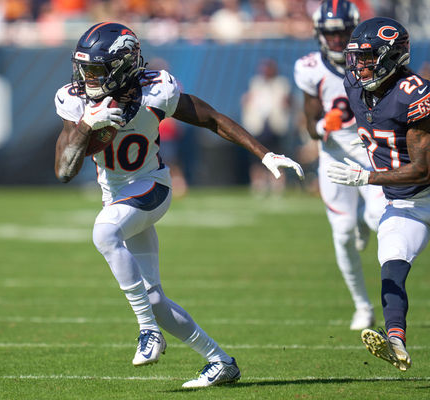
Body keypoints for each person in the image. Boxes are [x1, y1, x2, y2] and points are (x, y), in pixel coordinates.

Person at [54, 22, 304, 388]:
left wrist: (265, 155)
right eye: (85, 69)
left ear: (123, 65)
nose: (87, 78)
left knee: (104, 232)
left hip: (151, 186)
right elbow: (63, 170)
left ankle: (147, 331)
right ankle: (221, 361)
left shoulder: (157, 90)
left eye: (97, 70)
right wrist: (84, 127)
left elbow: (212, 118)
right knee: (153, 297)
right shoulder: (75, 99)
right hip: (116, 195)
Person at [328, 16, 430, 371]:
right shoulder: (356, 88)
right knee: (391, 268)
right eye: (357, 58)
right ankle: (397, 342)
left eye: (369, 58)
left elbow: (423, 168)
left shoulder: (414, 94)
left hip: (420, 188)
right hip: (406, 203)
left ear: (392, 56)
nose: (360, 66)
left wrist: (366, 176)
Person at [294, 0, 385, 331]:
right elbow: (309, 123)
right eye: (329, 33)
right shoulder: (309, 68)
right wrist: (323, 126)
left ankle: (394, 298)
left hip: (372, 152)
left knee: (379, 219)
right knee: (343, 234)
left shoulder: (374, 62)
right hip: (334, 156)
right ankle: (362, 305)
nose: (335, 40)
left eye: (341, 33)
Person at [242, 58, 292, 196]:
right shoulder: (256, 83)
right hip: (258, 125)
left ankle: (277, 183)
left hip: (275, 125)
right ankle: (259, 184)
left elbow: (287, 103)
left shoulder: (281, 84)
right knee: (257, 156)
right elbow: (248, 102)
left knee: (277, 154)